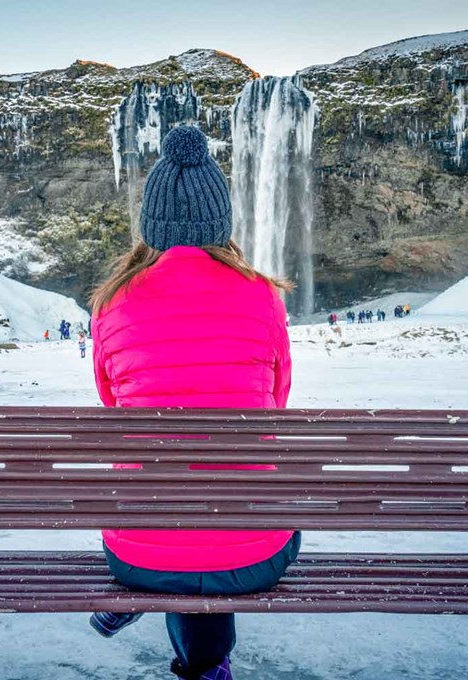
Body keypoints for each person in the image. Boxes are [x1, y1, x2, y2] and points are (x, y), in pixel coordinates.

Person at [88, 126, 297, 680]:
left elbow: (113, 402)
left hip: (137, 551)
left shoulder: (113, 303)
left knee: (176, 534)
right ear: (219, 223)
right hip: (253, 555)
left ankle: (137, 601)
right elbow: (275, 401)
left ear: (150, 227)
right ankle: (205, 666)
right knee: (225, 527)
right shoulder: (262, 296)